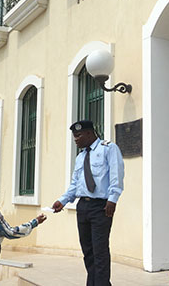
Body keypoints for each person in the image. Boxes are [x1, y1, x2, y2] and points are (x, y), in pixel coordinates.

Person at [52, 120, 124, 286]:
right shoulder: (80, 157)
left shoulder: (108, 148)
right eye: (74, 137)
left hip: (101, 207)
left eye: (78, 135)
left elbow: (116, 174)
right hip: (82, 207)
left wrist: (113, 199)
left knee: (100, 251)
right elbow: (75, 184)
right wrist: (62, 201)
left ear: (90, 134)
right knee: (88, 252)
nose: (75, 139)